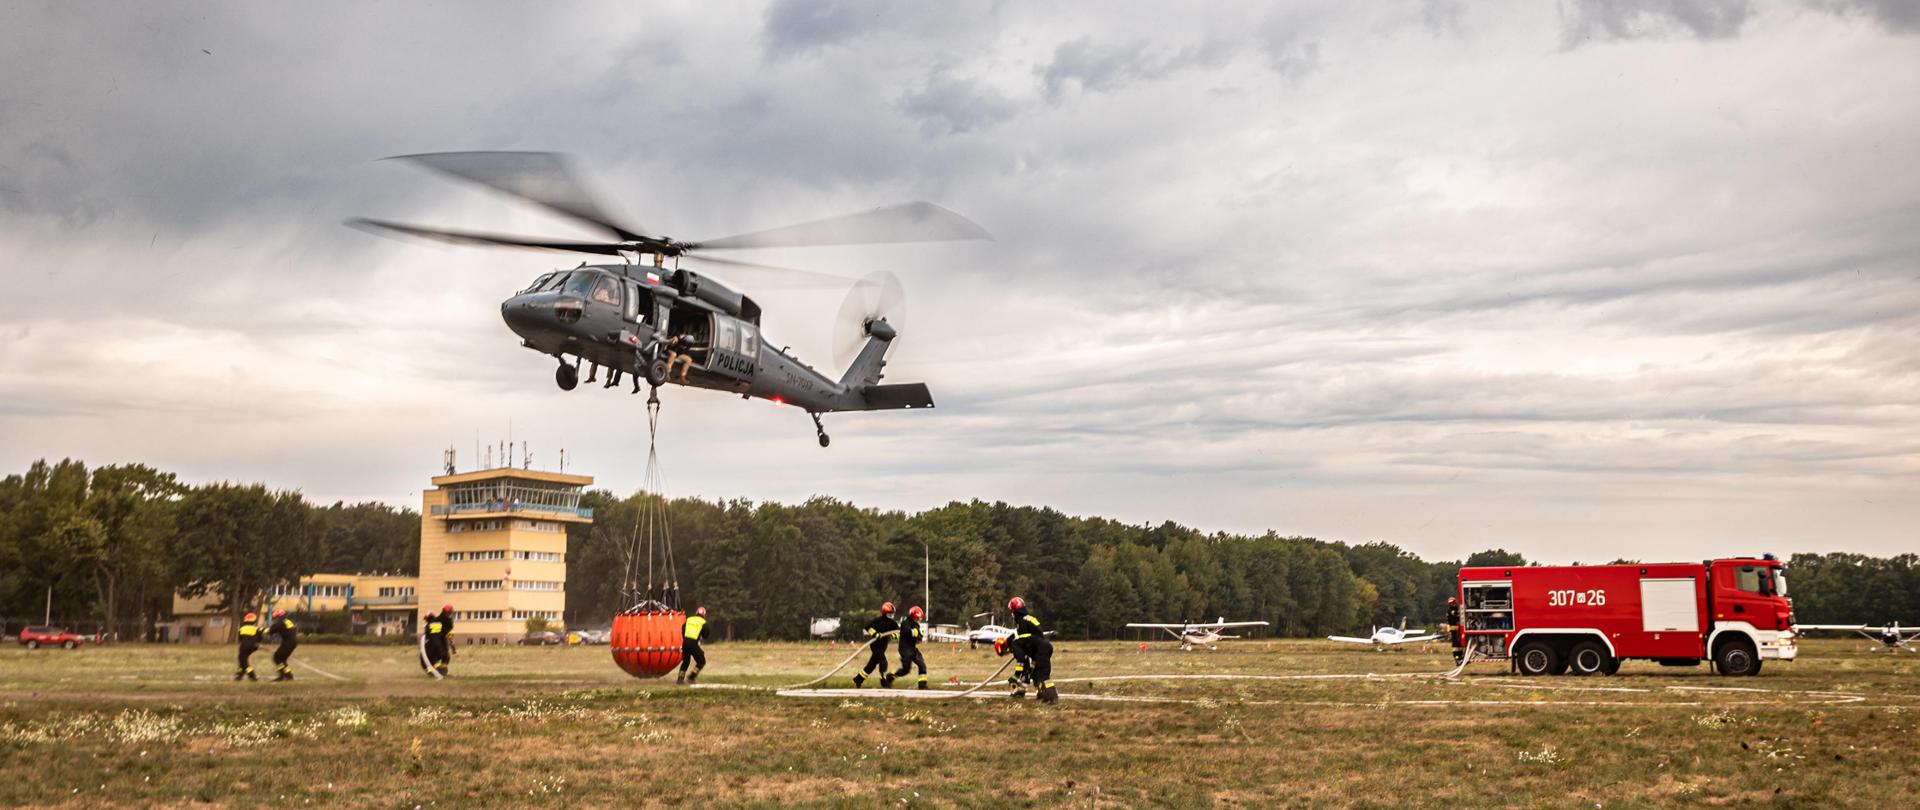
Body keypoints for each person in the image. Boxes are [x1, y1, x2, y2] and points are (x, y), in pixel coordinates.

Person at [1006, 596, 1055, 704]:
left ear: (1015, 611)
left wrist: (1016, 675)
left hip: (1038, 648)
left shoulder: (1021, 623)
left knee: (1042, 675)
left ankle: (1051, 697)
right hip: (1040, 647)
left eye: (1012, 611)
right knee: (1036, 673)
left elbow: (1024, 643)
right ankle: (1042, 694)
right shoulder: (1029, 618)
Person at [851, 601, 898, 688]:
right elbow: (867, 627)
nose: (891, 615)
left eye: (892, 613)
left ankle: (858, 679)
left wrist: (893, 636)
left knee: (871, 665)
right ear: (885, 613)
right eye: (890, 613)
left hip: (883, 646)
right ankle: (883, 680)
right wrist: (875, 633)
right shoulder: (878, 621)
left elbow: (898, 633)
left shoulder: (893, 623)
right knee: (883, 662)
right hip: (875, 645)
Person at [891, 605, 929, 689]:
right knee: (906, 670)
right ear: (912, 616)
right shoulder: (905, 623)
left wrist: (919, 637)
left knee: (922, 665)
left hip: (913, 648)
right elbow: (906, 632)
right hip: (905, 649)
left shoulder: (916, 625)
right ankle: (891, 676)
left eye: (919, 618)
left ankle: (922, 685)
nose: (918, 620)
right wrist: (915, 633)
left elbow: (917, 639)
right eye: (917, 618)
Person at [677, 606, 709, 685]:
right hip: (693, 644)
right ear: (704, 615)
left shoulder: (689, 619)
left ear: (696, 613)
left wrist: (685, 638)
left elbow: (683, 628)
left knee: (685, 662)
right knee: (701, 661)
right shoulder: (703, 622)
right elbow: (706, 635)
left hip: (685, 643)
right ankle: (691, 677)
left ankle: (680, 680)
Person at [266, 609, 299, 682]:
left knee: (277, 657)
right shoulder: (288, 621)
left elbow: (270, 631)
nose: (275, 620)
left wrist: (259, 631)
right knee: (282, 659)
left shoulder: (280, 623)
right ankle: (288, 675)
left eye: (275, 618)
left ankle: (283, 675)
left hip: (288, 643)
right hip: (293, 642)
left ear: (278, 617)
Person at [422, 605, 454, 677]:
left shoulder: (439, 621)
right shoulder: (438, 621)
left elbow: (446, 631)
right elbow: (444, 631)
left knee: (441, 656)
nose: (450, 614)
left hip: (438, 641)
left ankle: (439, 669)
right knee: (440, 655)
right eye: (449, 612)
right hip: (437, 642)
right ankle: (437, 669)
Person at [234, 612, 262, 681]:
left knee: (243, 661)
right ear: (254, 621)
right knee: (243, 660)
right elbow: (260, 638)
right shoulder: (256, 629)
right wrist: (256, 643)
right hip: (253, 647)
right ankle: (239, 675)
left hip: (244, 646)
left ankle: (252, 676)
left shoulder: (242, 628)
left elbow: (240, 638)